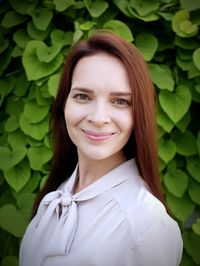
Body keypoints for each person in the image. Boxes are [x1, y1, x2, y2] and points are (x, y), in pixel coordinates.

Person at [19, 30, 183, 266]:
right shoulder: (58, 196)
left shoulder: (147, 226)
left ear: (140, 115)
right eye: (83, 96)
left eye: (120, 101)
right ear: (64, 104)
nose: (98, 117)